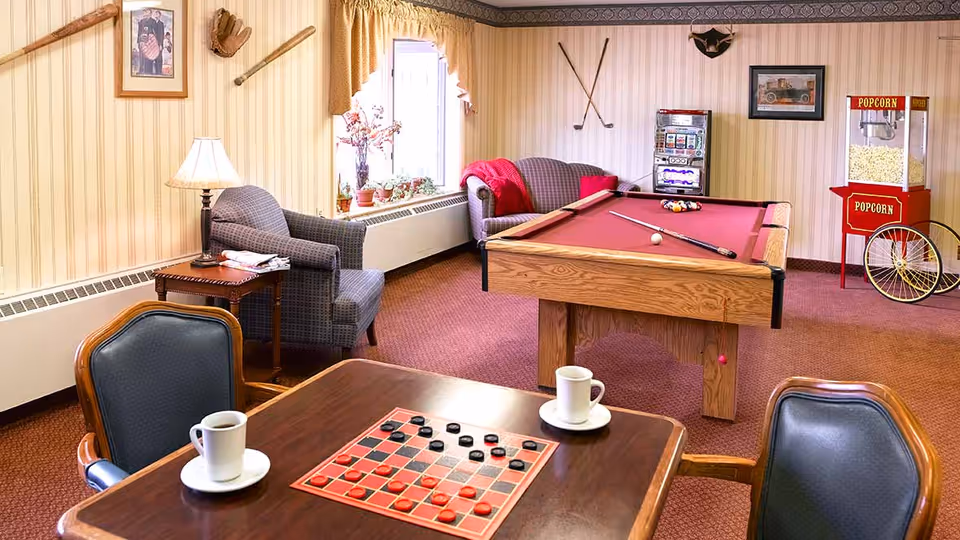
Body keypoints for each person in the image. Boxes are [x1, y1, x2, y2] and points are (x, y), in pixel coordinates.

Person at [136, 9, 165, 76]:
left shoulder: (153, 21)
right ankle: (142, 71)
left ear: (150, 13)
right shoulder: (141, 21)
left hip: (150, 42)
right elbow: (139, 32)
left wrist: (159, 43)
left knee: (150, 56)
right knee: (142, 56)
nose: (145, 13)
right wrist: (138, 41)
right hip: (142, 42)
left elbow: (157, 33)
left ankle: (151, 72)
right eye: (145, 12)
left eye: (147, 12)